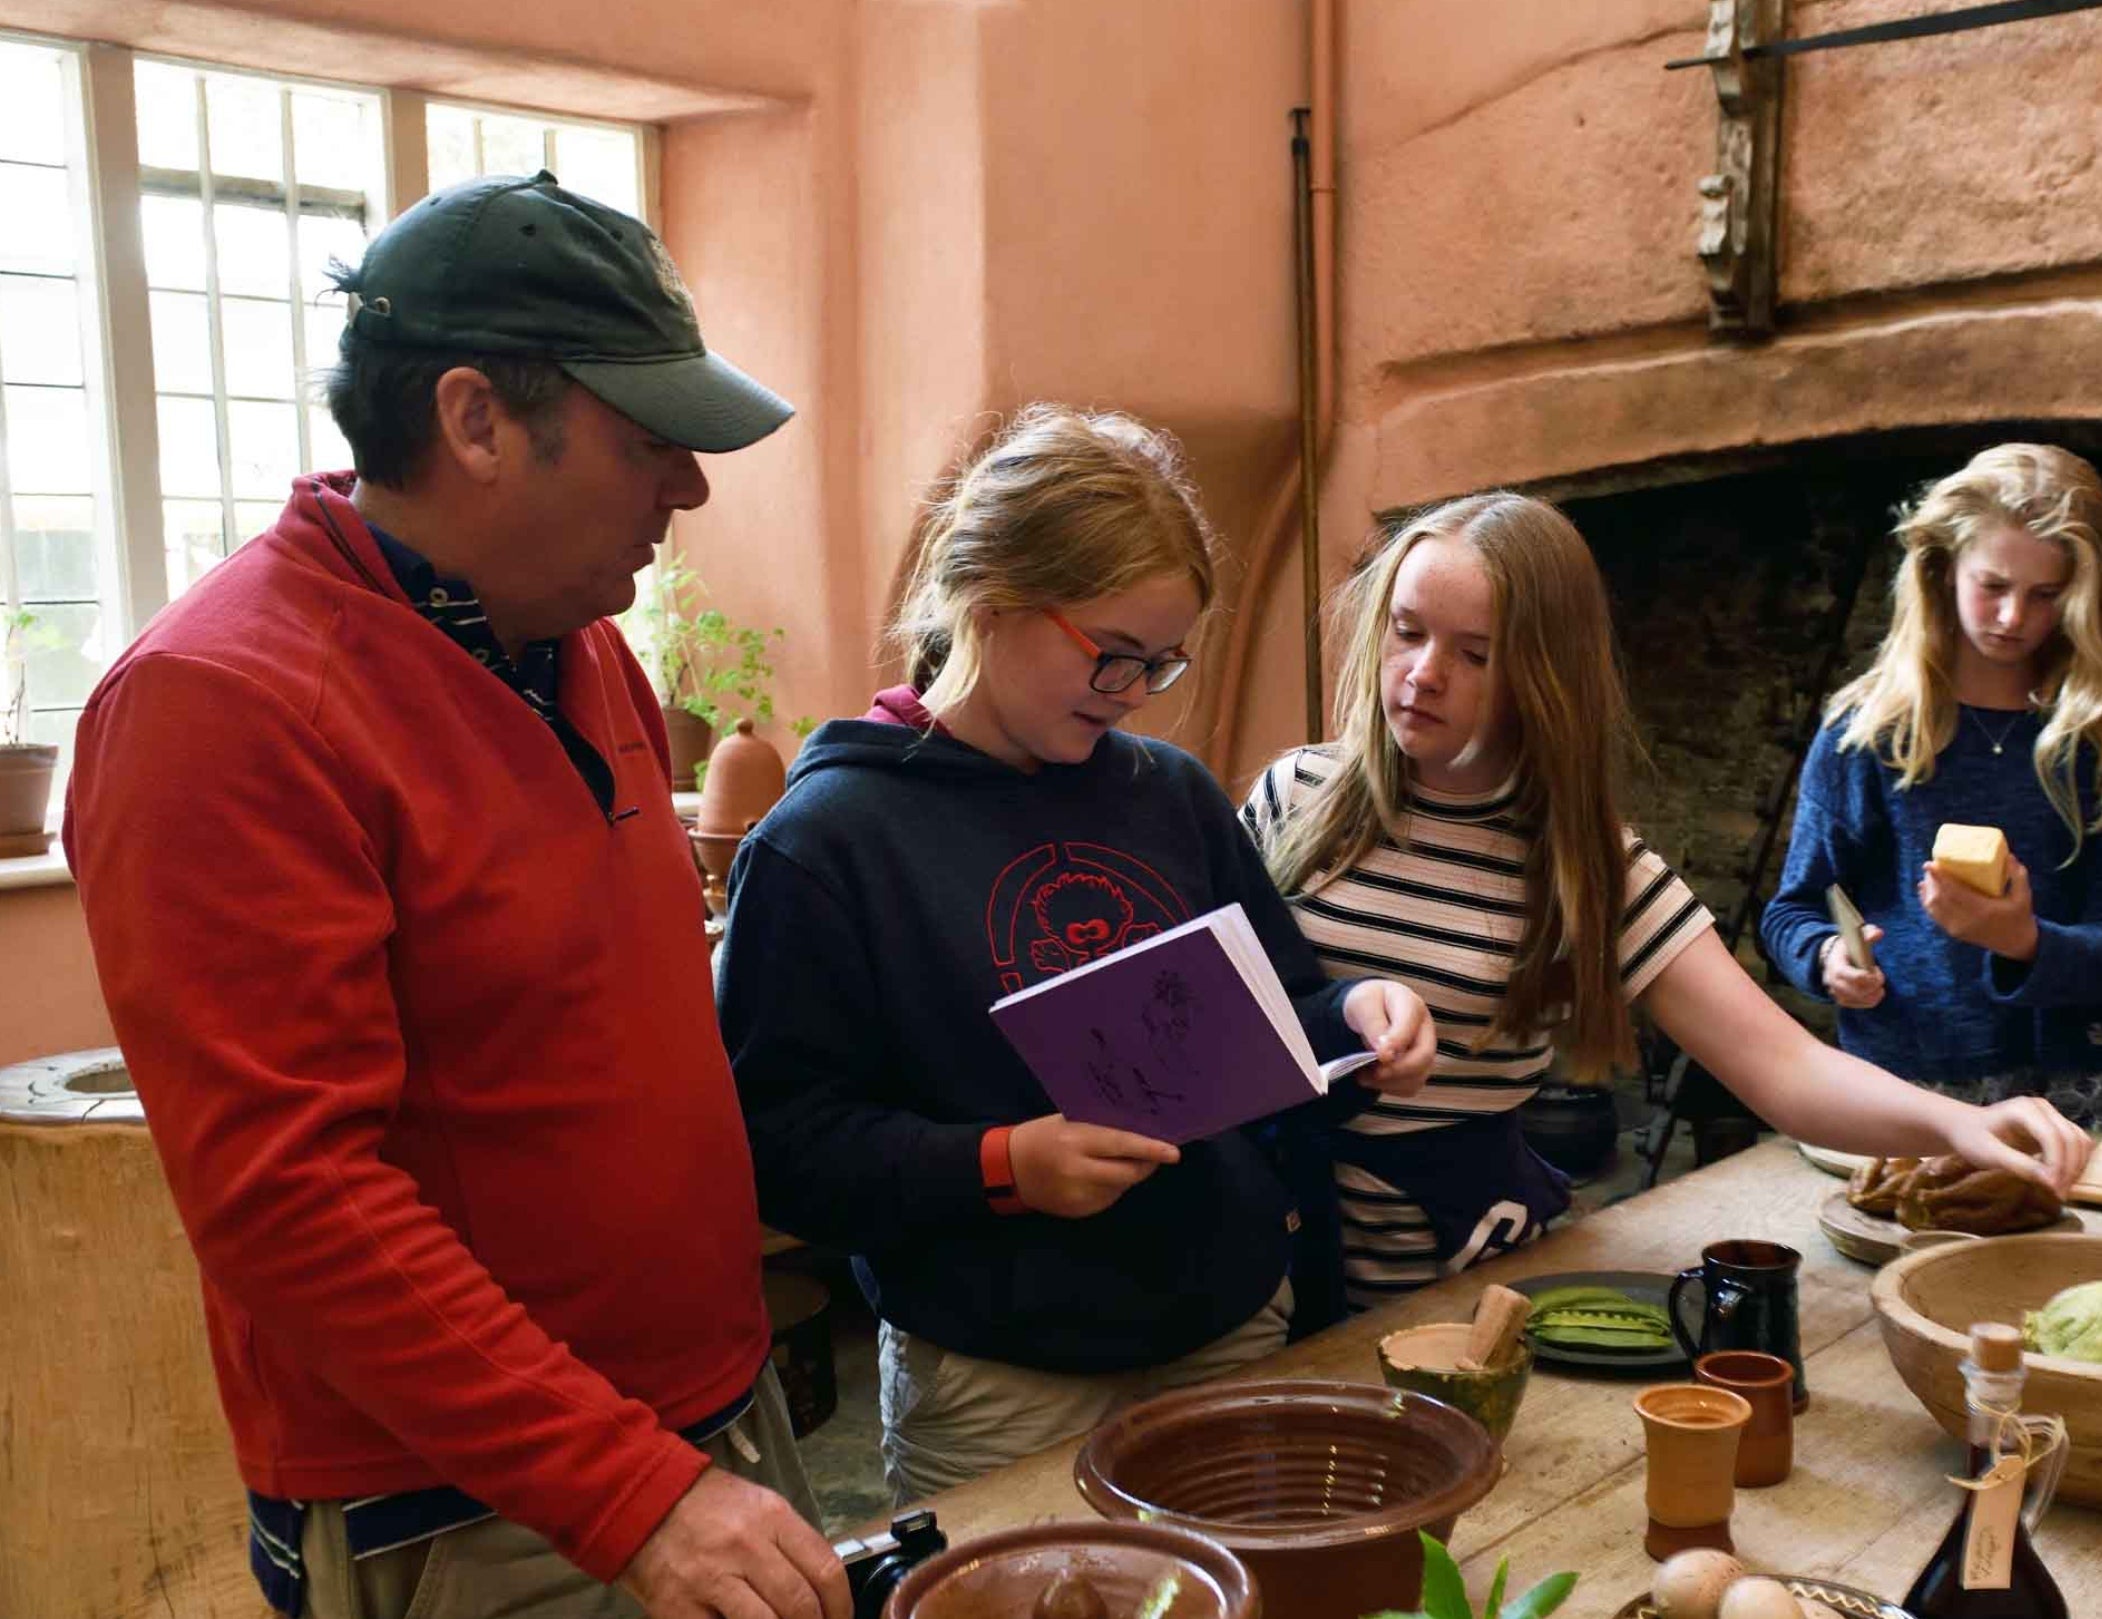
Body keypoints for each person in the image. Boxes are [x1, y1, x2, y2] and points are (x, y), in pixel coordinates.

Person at [64, 173, 846, 1619]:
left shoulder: (576, 638)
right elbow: (291, 1199)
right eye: (649, 442)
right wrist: (628, 1487)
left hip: (698, 1424)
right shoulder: (223, 704)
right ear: (477, 419)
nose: (689, 487)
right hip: (483, 1499)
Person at [719, 405, 1437, 1498]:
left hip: (1229, 1323)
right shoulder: (827, 842)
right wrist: (1004, 1165)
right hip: (1002, 1376)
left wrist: (1359, 1016)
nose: (1135, 696)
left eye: (1162, 663)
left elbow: (1280, 1008)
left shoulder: (1172, 794)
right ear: (991, 599)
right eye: (1111, 657)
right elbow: (783, 1145)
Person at [1246, 492, 2092, 1309]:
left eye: (1476, 653)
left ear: (1543, 677)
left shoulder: (1589, 866)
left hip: (1445, 1290)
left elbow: (1784, 1067)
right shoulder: (1295, 798)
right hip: (1264, 1274)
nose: (1423, 674)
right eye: (1407, 632)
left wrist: (1959, 1124)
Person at [1761, 445, 2102, 1136]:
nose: (2013, 617)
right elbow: (1793, 910)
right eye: (1994, 585)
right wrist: (1827, 957)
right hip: (1899, 1080)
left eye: (2045, 595)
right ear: (1943, 568)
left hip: (2069, 1090)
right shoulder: (1867, 733)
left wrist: (2027, 941)